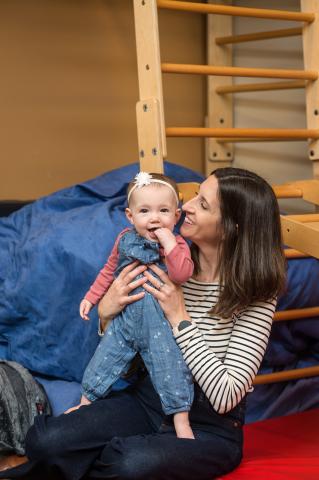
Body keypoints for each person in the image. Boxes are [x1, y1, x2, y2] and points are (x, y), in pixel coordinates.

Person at [0, 167, 286, 480]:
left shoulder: (256, 293)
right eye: (194, 197)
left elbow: (225, 396)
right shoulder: (162, 258)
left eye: (203, 204)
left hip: (209, 427)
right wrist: (107, 314)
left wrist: (180, 318)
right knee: (46, 441)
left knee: (129, 464)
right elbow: (130, 356)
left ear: (232, 227)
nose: (186, 207)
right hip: (147, 399)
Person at [73, 171, 194, 440]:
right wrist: (91, 298)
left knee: (170, 368)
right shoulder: (124, 239)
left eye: (164, 211)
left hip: (159, 326)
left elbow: (181, 274)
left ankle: (181, 419)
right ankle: (85, 405)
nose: (154, 218)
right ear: (130, 216)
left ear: (176, 216)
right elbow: (108, 271)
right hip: (125, 320)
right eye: (145, 211)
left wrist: (170, 243)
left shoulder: (178, 245)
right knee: (102, 361)